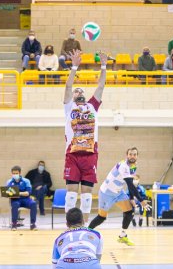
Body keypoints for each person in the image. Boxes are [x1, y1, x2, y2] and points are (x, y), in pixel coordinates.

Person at [63, 49, 107, 222]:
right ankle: (70, 225)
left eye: (81, 91)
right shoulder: (69, 107)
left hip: (90, 154)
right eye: (77, 91)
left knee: (87, 196)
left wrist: (103, 65)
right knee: (71, 195)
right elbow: (68, 86)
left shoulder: (92, 107)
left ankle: (85, 225)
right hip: (72, 154)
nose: (79, 93)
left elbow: (101, 85)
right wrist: (74, 66)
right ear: (73, 96)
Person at [88, 147, 150, 246]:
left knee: (129, 211)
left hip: (118, 192)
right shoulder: (123, 166)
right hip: (106, 193)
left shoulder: (134, 166)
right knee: (101, 217)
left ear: (137, 156)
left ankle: (122, 236)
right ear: (127, 155)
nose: (132, 156)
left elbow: (131, 184)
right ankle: (86, 233)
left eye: (134, 154)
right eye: (130, 154)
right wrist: (141, 200)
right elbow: (130, 185)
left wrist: (131, 199)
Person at [6, 165, 37, 231]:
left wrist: (18, 193)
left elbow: (28, 193)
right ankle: (14, 224)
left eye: (16, 173)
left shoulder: (26, 181)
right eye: (13, 173)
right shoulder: (9, 182)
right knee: (15, 204)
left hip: (26, 199)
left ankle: (33, 224)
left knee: (33, 203)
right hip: (15, 200)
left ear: (20, 173)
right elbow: (8, 193)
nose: (15, 175)